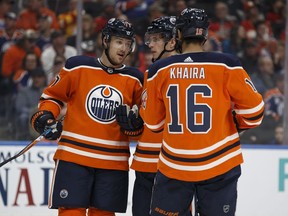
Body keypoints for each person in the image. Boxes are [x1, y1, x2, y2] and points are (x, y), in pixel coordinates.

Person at [143, 8, 264, 216]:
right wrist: (234, 123)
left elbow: (153, 124)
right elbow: (255, 112)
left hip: (175, 165)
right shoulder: (227, 65)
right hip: (220, 163)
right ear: (205, 35)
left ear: (179, 34)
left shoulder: (159, 70)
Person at [30, 18, 143, 216]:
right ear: (105, 41)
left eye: (128, 43)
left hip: (113, 162)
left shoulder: (135, 79)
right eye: (119, 42)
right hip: (74, 158)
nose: (124, 48)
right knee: (71, 212)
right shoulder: (78, 67)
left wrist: (135, 126)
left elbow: (143, 120)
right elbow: (52, 97)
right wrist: (46, 117)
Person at [128, 16, 184, 216]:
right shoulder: (150, 72)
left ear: (172, 41)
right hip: (145, 164)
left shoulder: (184, 73)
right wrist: (132, 125)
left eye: (156, 39)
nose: (150, 44)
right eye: (149, 39)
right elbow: (149, 120)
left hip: (173, 168)